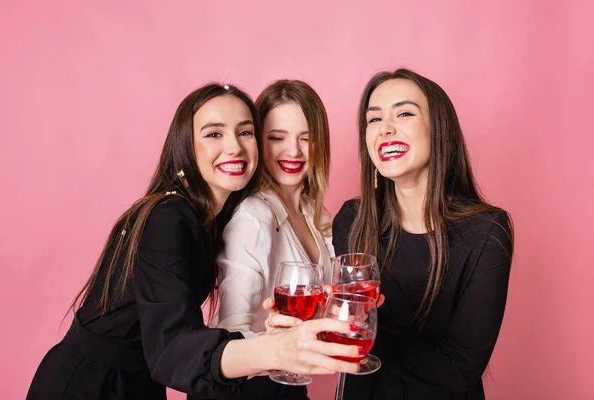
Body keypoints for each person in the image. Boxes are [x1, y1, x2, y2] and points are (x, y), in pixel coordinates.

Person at [26, 83, 360, 400]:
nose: (234, 146)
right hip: (89, 385)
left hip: (141, 380)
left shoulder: (207, 217)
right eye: (214, 133)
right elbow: (171, 345)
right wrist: (275, 348)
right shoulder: (169, 216)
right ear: (186, 144)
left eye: (244, 132)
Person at [332, 69, 514, 400]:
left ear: (439, 130)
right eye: (374, 120)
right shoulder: (351, 219)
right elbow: (346, 323)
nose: (385, 128)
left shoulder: (487, 231)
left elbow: (461, 364)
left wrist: (364, 348)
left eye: (403, 113)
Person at [213, 80, 334, 399]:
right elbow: (230, 331)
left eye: (306, 139)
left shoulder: (316, 215)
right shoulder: (254, 215)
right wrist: (275, 345)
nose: (293, 151)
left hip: (286, 382)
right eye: (277, 138)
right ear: (257, 142)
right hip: (247, 389)